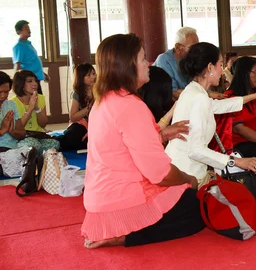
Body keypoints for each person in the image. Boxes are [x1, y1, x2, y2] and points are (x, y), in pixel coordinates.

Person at [81, 33, 203, 249]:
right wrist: (189, 179)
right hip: (123, 200)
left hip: (100, 200)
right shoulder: (130, 106)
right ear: (127, 66)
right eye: (142, 58)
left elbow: (122, 146)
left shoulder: (105, 100)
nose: (148, 63)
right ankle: (127, 236)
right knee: (196, 205)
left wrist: (164, 134)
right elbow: (160, 174)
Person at [165, 43, 256, 186]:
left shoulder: (193, 90)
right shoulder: (199, 97)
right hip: (187, 174)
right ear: (209, 67)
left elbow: (218, 106)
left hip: (181, 168)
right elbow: (195, 150)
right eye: (220, 65)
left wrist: (254, 96)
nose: (223, 71)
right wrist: (237, 161)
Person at [223, 56, 256, 163]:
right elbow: (238, 128)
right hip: (241, 147)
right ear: (244, 73)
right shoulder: (230, 97)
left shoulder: (255, 95)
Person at [10, 70, 59, 153]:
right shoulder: (12, 103)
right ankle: (33, 157)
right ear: (21, 84)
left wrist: (36, 108)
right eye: (30, 81)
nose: (35, 83)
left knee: (55, 144)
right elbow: (19, 127)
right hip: (23, 137)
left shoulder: (40, 98)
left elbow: (43, 124)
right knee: (33, 145)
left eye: (35, 80)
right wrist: (30, 108)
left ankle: (33, 156)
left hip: (38, 135)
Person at [154, 27, 199, 101]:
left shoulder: (191, 60)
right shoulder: (164, 60)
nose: (196, 51)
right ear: (178, 47)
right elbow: (173, 93)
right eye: (192, 47)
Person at [59, 63, 96, 151]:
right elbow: (73, 117)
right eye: (88, 75)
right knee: (73, 136)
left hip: (97, 124)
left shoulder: (100, 90)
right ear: (81, 78)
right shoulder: (77, 94)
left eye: (94, 74)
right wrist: (87, 109)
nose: (92, 77)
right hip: (81, 124)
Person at [12, 20, 48, 93]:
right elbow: (17, 64)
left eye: (29, 28)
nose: (29, 30)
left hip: (36, 79)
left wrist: (43, 74)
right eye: (26, 28)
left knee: (39, 101)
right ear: (19, 32)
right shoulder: (19, 46)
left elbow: (32, 62)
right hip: (29, 82)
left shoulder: (28, 44)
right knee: (33, 102)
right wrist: (15, 82)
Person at [0, 71, 26, 152]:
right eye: (0, 92)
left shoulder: (11, 105)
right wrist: (2, 130)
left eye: (6, 92)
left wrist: (12, 131)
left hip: (13, 148)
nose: (3, 96)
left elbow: (22, 133)